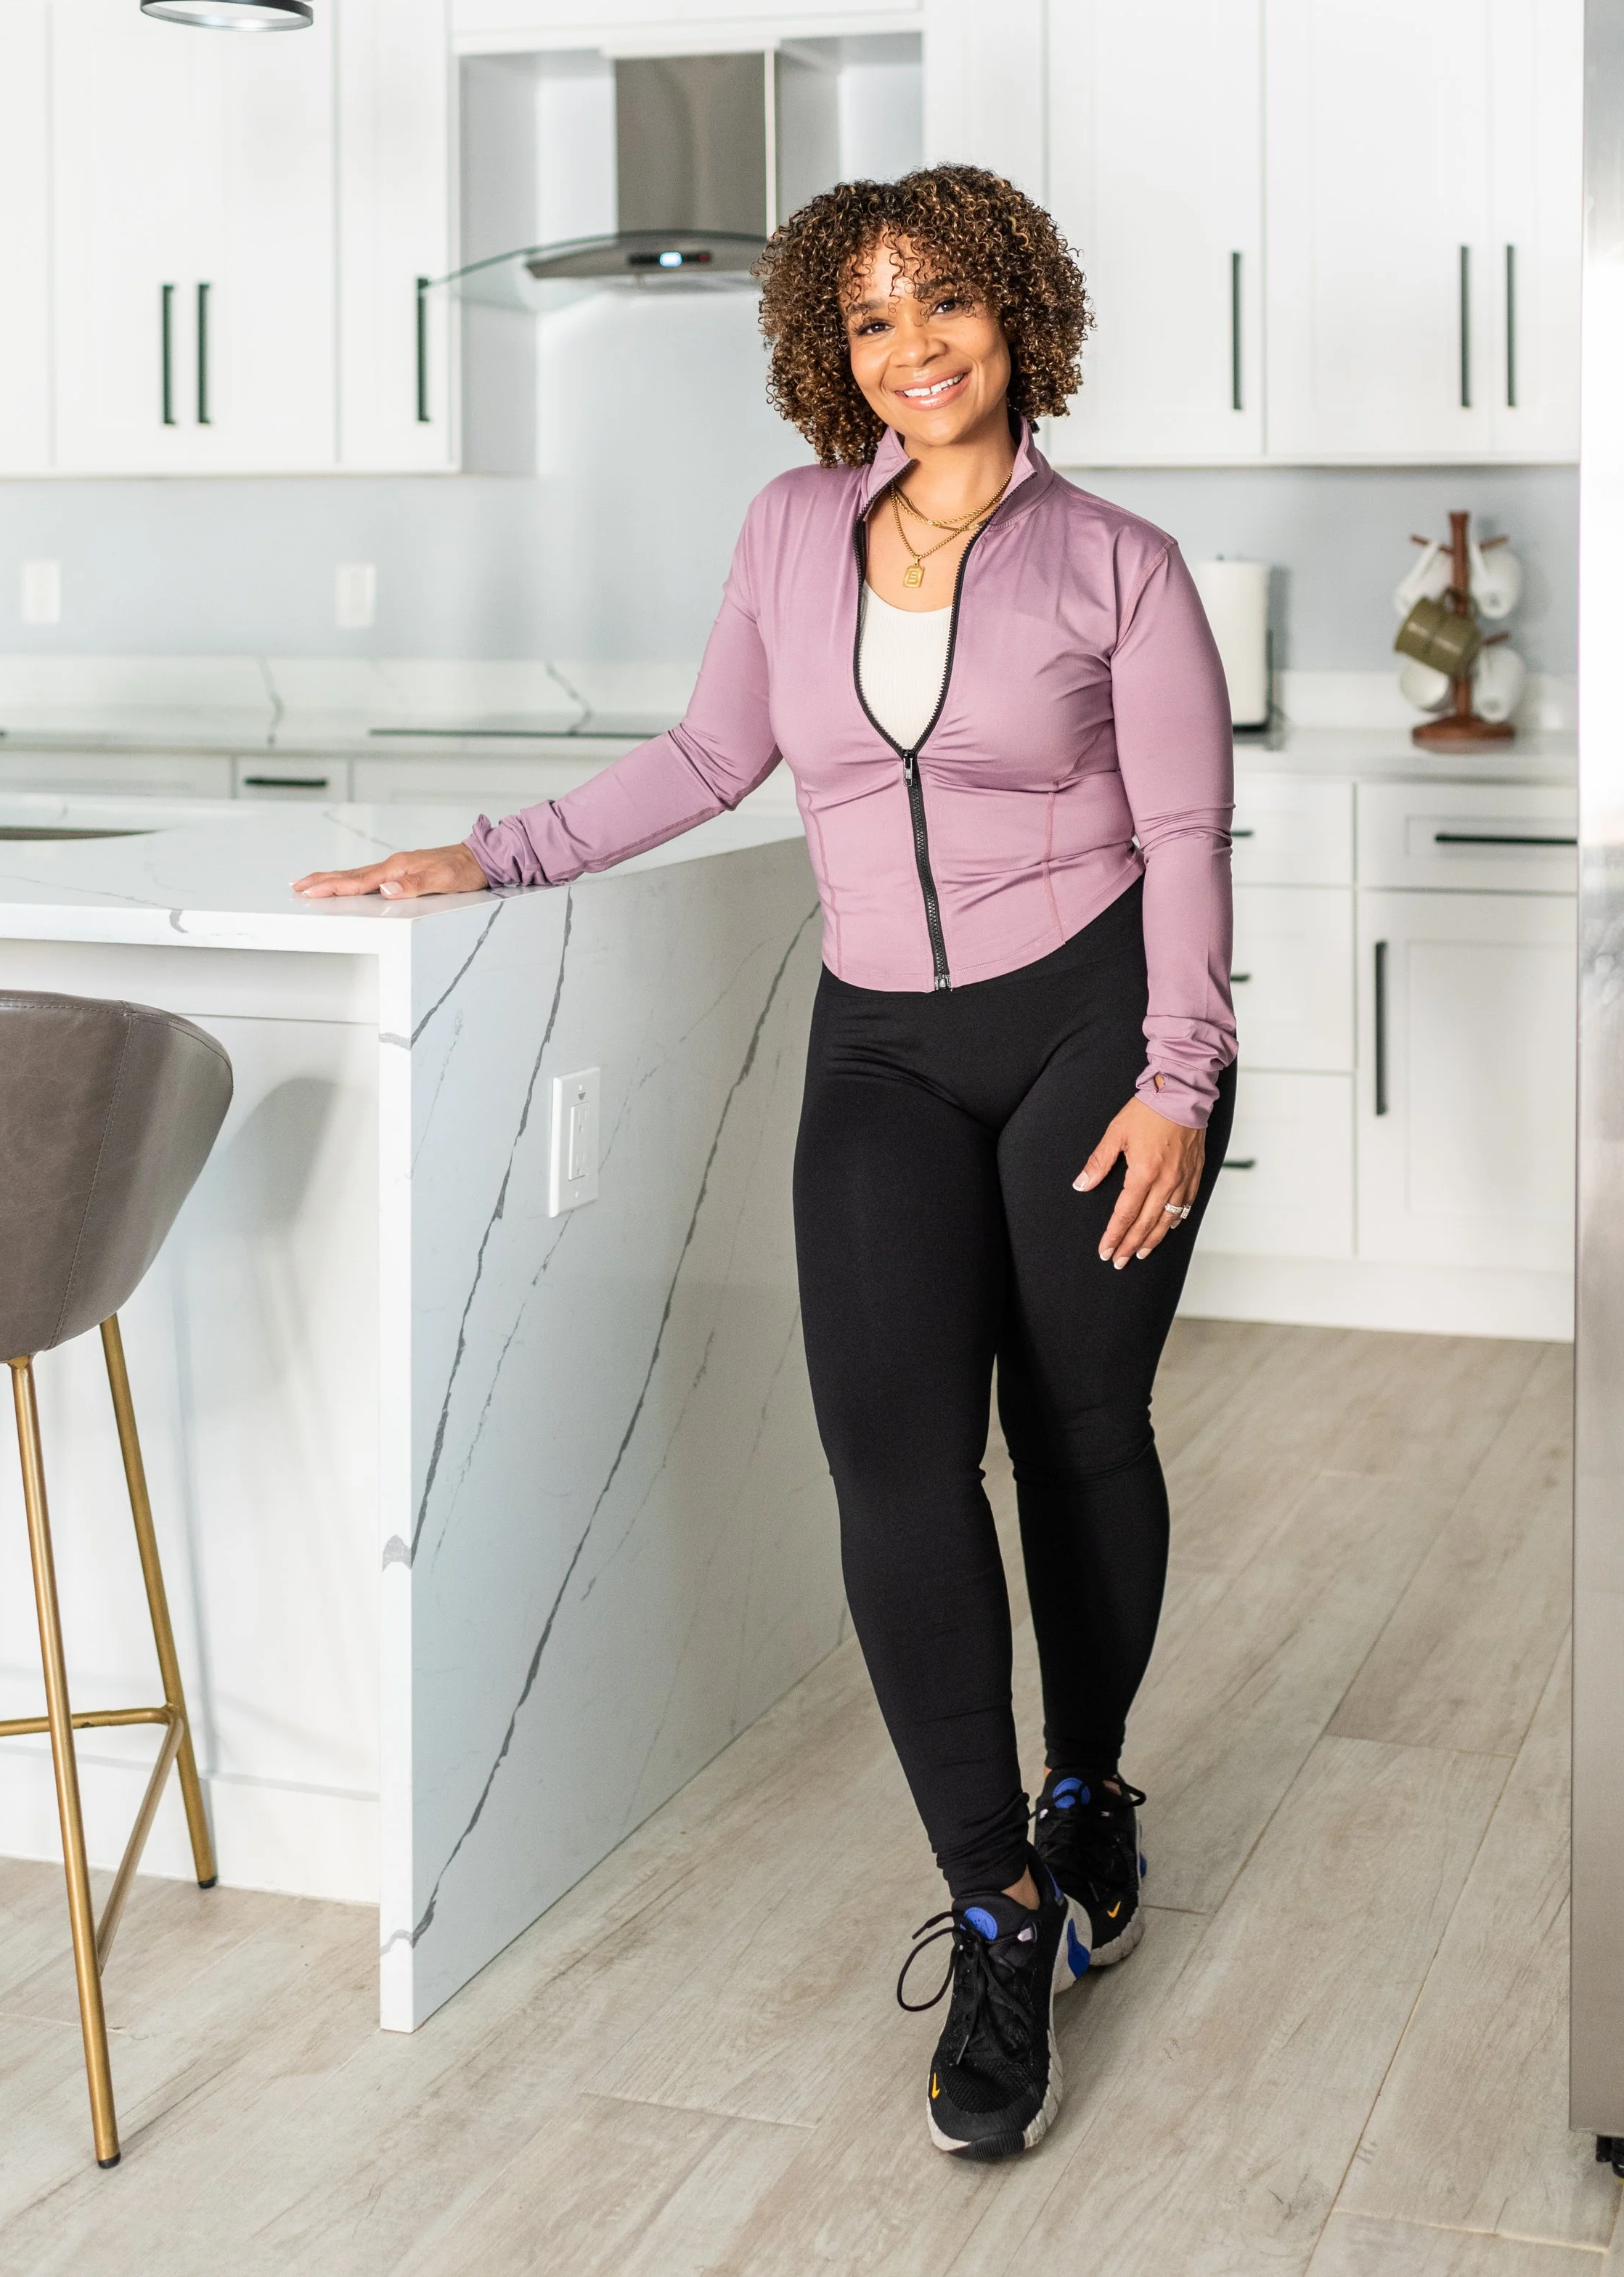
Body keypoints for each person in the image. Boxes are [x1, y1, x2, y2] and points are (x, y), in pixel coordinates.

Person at [293, 164, 1237, 2163]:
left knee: (1076, 1432)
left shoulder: (1118, 564)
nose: (913, 349)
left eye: (947, 302)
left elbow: (1187, 843)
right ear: (830, 346)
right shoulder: (791, 531)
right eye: (872, 317)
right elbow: (710, 754)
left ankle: (1085, 1792)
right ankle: (996, 1909)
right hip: (882, 1043)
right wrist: (492, 851)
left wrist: (1178, 1075)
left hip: (1090, 1035)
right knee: (891, 1459)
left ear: (1018, 313)